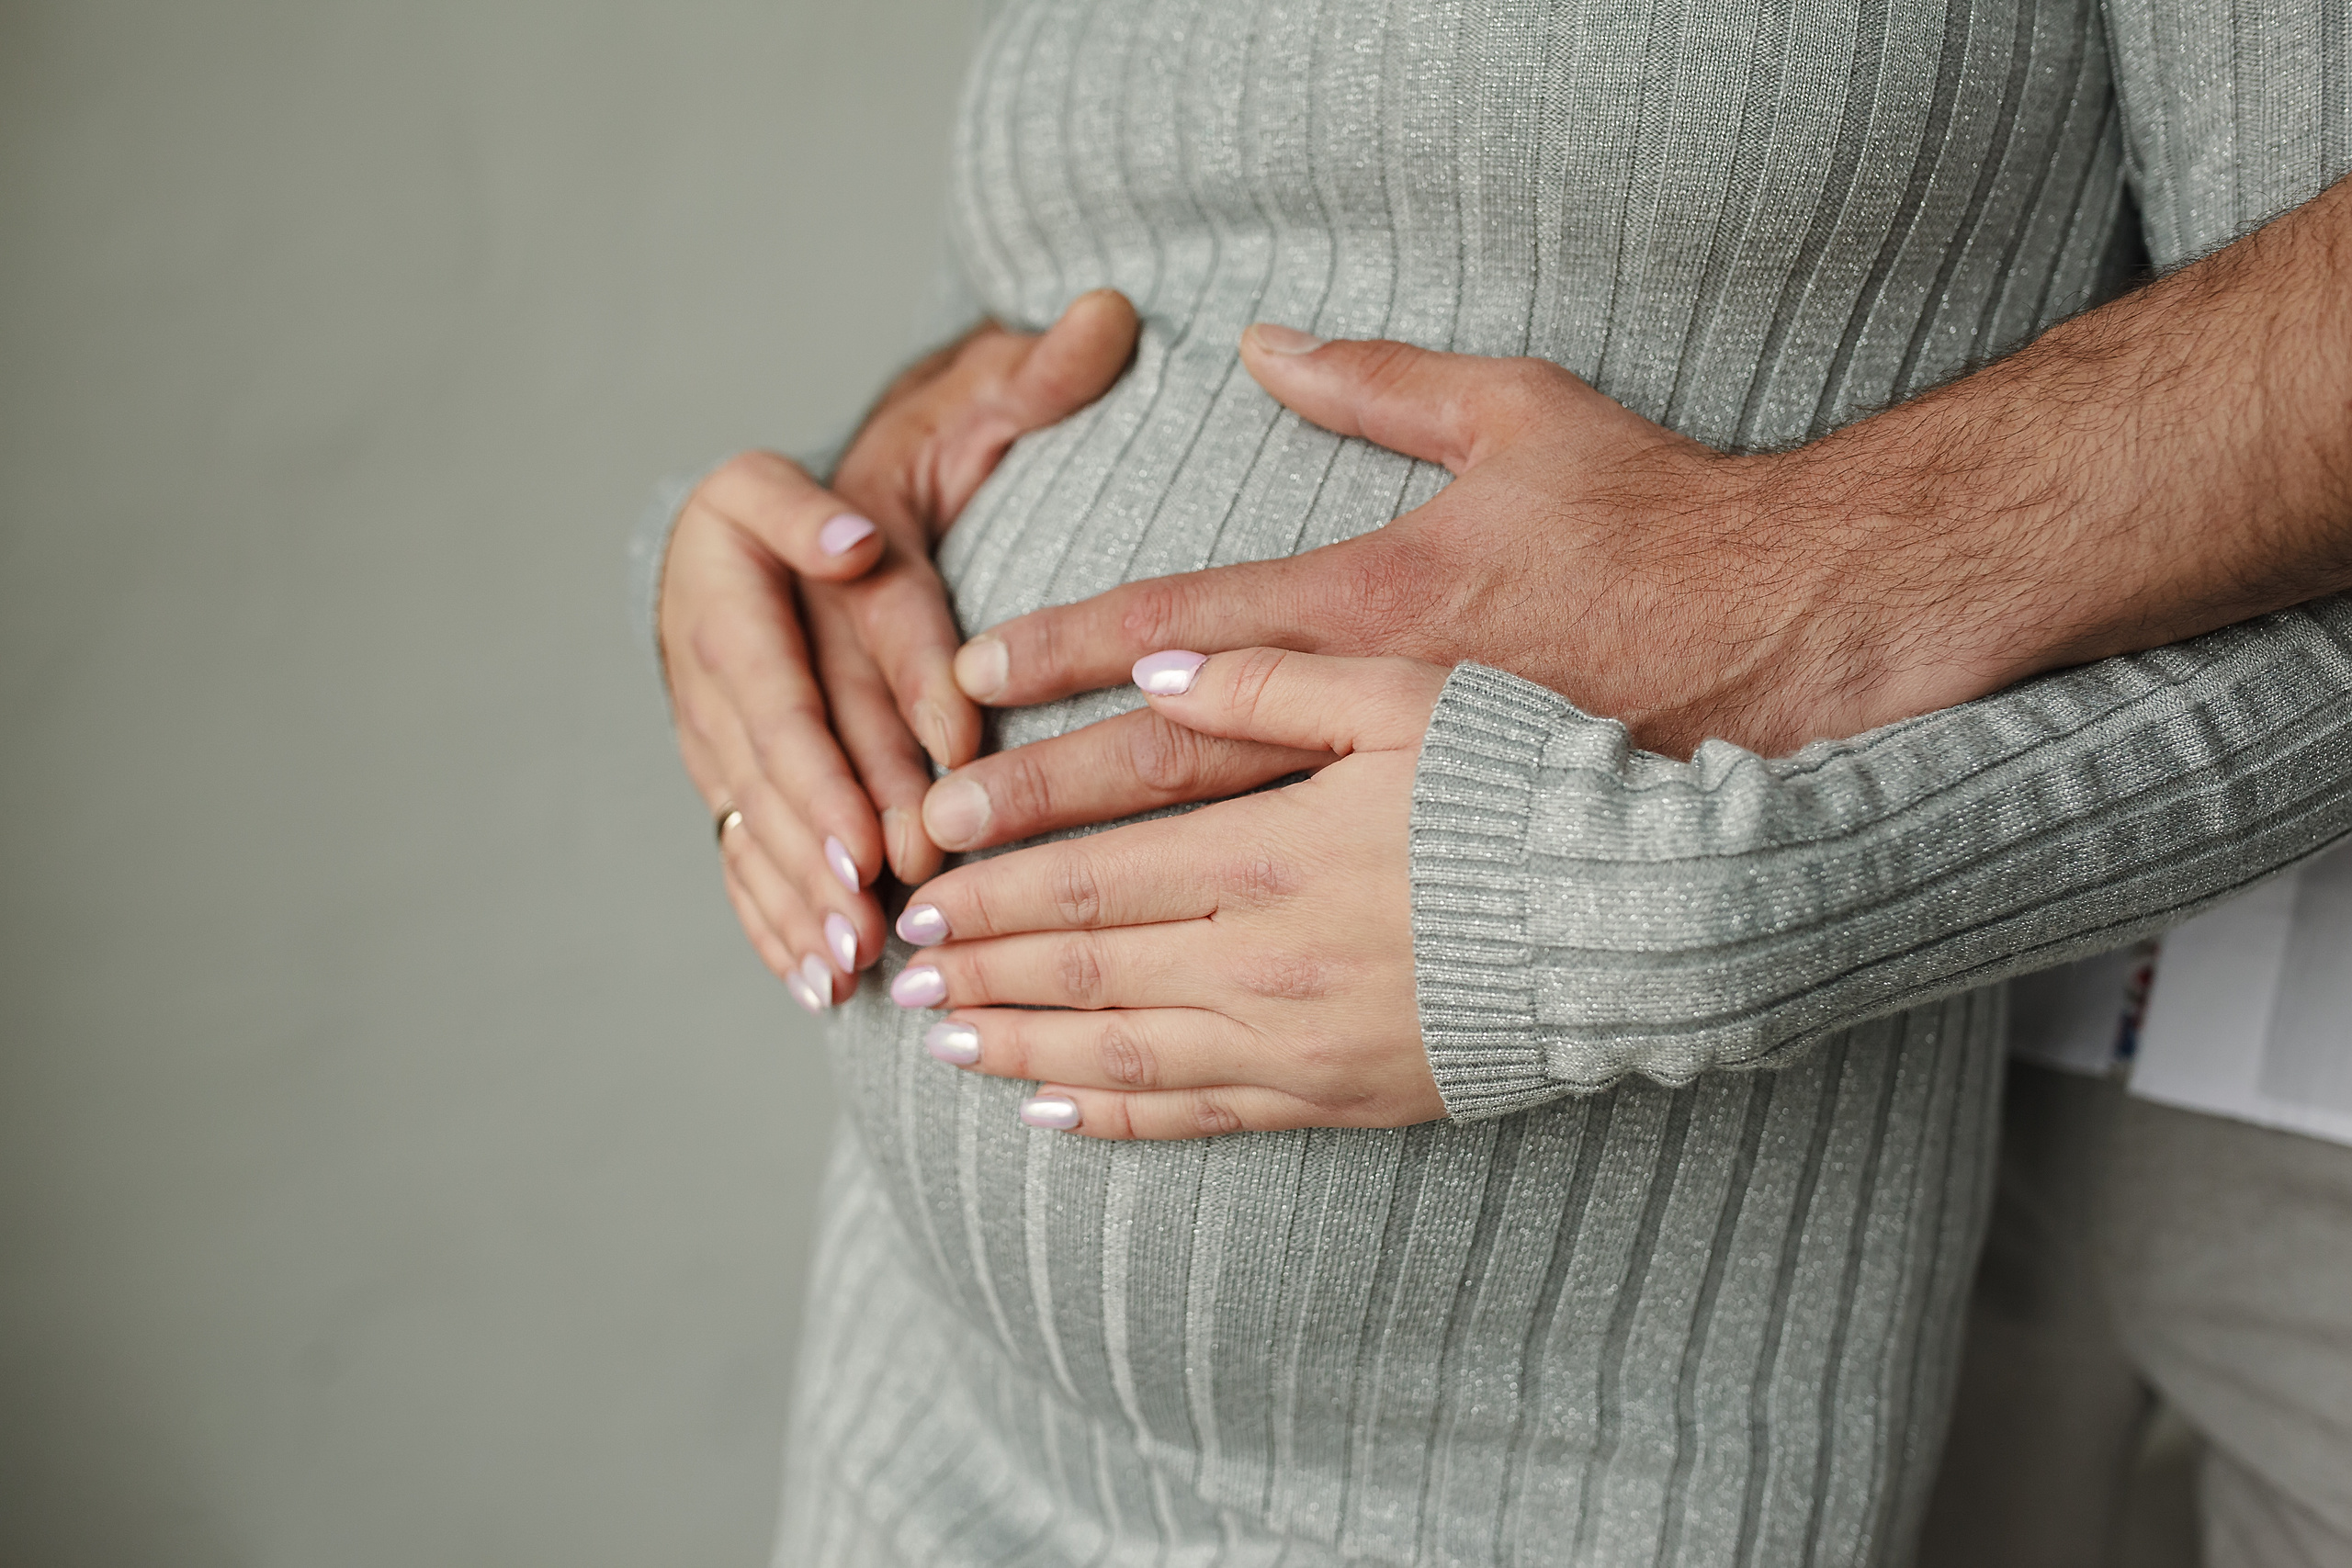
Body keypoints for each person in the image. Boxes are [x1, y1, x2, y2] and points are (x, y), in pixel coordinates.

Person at [641, 2, 2350, 1562]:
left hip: (1533, 1451)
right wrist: (841, 540)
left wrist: (1658, 896)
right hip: (919, 1388)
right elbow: (1103, 294)